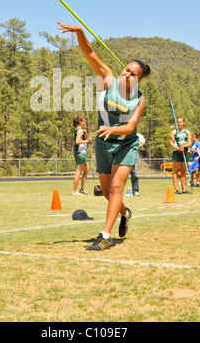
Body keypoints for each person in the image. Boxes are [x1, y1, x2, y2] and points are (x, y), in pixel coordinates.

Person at [57, 21, 150, 251]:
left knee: (117, 189)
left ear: (139, 79)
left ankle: (105, 235)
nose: (126, 74)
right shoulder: (108, 79)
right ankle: (126, 213)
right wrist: (79, 32)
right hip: (103, 144)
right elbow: (90, 53)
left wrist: (113, 130)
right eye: (126, 69)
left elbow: (130, 128)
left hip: (125, 144)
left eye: (132, 73)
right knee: (109, 193)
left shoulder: (139, 98)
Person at [169, 118, 192, 194]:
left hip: (185, 152)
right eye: (178, 122)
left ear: (184, 123)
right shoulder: (173, 132)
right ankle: (176, 189)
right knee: (175, 171)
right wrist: (178, 148)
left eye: (180, 122)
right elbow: (171, 143)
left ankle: (184, 189)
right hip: (176, 152)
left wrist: (184, 146)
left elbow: (190, 143)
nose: (179, 123)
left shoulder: (187, 132)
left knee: (183, 171)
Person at [72, 115, 92, 195]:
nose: (85, 122)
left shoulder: (81, 130)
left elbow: (85, 140)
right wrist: (87, 141)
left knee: (87, 169)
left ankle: (82, 189)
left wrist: (86, 135)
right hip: (80, 152)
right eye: (84, 121)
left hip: (82, 152)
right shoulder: (79, 130)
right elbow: (77, 141)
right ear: (80, 122)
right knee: (78, 171)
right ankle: (74, 191)